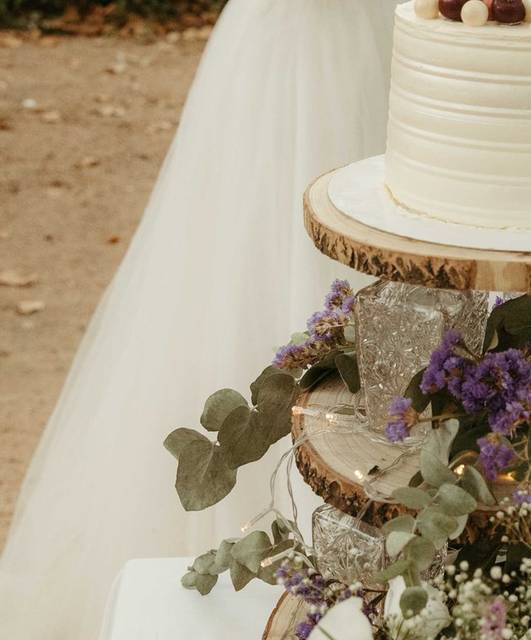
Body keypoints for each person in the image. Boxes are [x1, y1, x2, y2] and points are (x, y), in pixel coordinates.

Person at [0, 1, 398, 637]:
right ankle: (262, 540)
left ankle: (380, 530)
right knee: (252, 249)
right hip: (288, 43)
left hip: (378, 38)